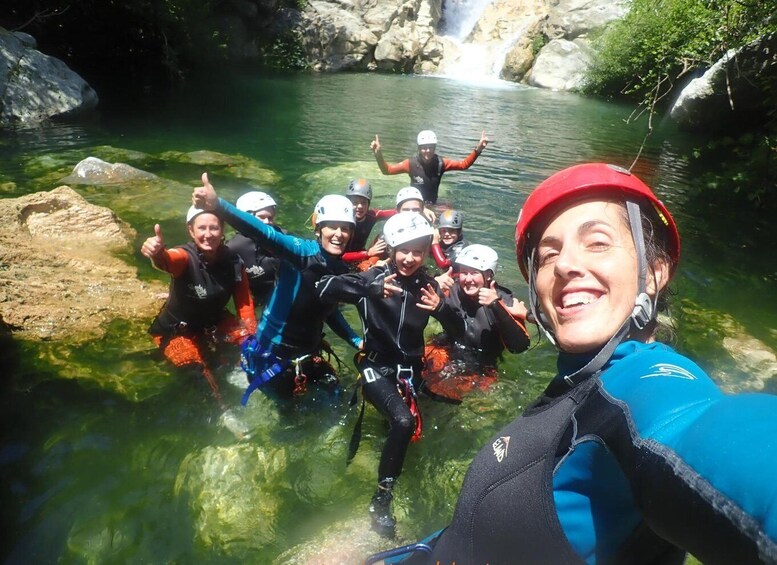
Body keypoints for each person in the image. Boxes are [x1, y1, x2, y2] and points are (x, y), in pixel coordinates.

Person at [377, 162, 777, 564]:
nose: (566, 265)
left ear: (655, 273)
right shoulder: (578, 387)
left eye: (598, 242)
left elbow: (708, 433)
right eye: (549, 254)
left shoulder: (643, 387)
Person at [316, 212, 464, 539]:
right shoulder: (375, 275)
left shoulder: (428, 285)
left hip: (409, 372)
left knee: (431, 419)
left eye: (419, 250)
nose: (410, 258)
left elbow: (461, 330)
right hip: (374, 365)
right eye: (404, 249)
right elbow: (323, 287)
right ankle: (381, 499)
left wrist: (441, 308)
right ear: (392, 245)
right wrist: (367, 287)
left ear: (427, 251)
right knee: (403, 422)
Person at [192, 173, 363, 404]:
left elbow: (329, 310)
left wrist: (356, 341)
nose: (339, 234)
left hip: (307, 353)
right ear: (319, 229)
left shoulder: (339, 268)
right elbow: (265, 233)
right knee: (288, 416)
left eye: (345, 228)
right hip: (273, 355)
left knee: (337, 398)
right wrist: (219, 206)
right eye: (332, 227)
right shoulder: (299, 252)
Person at [141, 205, 256, 404]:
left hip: (214, 323)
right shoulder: (186, 257)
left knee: (251, 353)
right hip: (177, 330)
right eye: (201, 228)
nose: (208, 234)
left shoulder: (234, 261)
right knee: (197, 373)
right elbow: (169, 261)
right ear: (191, 231)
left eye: (214, 228)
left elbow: (244, 305)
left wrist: (251, 339)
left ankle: (250, 389)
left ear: (223, 231)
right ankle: (223, 413)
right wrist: (157, 254)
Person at [423, 244, 530, 403]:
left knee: (451, 400)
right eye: (464, 273)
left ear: (488, 275)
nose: (467, 279)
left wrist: (495, 305)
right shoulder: (451, 288)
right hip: (447, 345)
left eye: (474, 273)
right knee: (419, 380)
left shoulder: (504, 300)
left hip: (482, 362)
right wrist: (433, 282)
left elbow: (520, 346)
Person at [370, 130, 490, 205]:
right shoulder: (410, 164)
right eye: (424, 147)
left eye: (430, 147)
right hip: (414, 204)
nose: (427, 151)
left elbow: (464, 165)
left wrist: (478, 149)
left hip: (432, 204)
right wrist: (378, 155)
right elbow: (387, 171)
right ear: (418, 148)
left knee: (450, 210)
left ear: (434, 147)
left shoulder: (441, 163)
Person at [226, 190, 283, 307]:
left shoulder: (283, 237)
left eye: (270, 218)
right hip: (260, 302)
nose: (267, 223)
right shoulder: (233, 249)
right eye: (262, 217)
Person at [341, 178, 395, 267]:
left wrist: (420, 207)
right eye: (355, 202)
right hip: (344, 261)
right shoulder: (341, 223)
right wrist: (367, 253)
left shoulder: (372, 216)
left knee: (384, 236)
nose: (360, 206)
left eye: (364, 203)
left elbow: (397, 211)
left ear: (368, 204)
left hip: (363, 254)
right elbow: (339, 255)